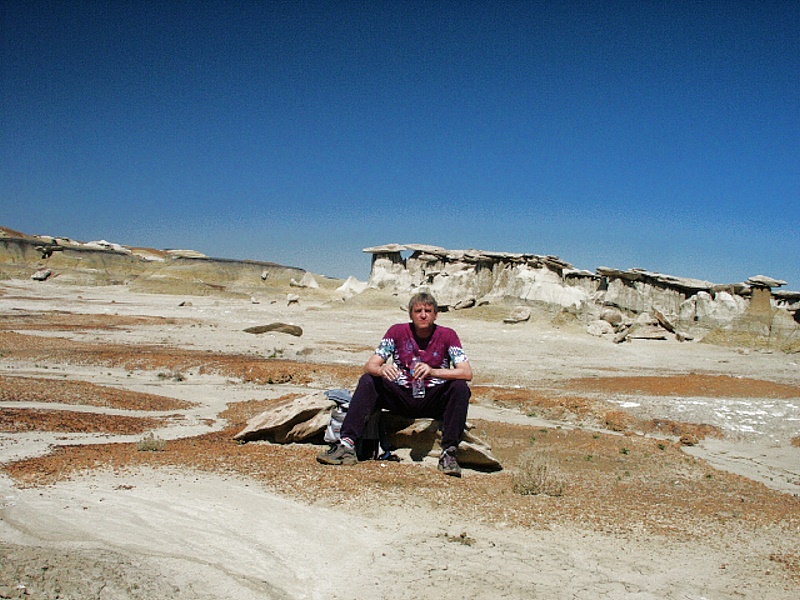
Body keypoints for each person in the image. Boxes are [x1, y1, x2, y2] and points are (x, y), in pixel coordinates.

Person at [317, 292, 472, 477]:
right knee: (368, 380)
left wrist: (433, 371)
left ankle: (449, 453)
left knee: (460, 387)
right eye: (418, 311)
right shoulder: (396, 332)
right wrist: (382, 370)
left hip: (433, 397)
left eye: (428, 311)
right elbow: (370, 365)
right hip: (401, 395)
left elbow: (466, 372)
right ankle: (346, 445)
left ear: (436, 314)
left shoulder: (447, 335)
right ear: (410, 314)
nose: (423, 315)